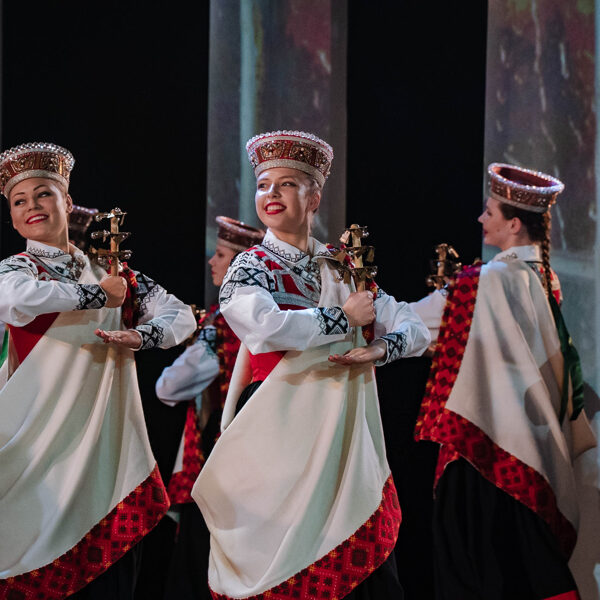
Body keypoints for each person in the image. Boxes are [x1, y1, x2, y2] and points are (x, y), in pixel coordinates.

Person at [191, 130, 431, 600]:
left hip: (340, 430)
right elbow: (264, 327)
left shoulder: (342, 266)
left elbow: (414, 326)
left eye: (286, 184)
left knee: (360, 558)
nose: (272, 194)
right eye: (264, 185)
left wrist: (381, 349)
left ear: (314, 197)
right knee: (283, 552)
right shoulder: (251, 266)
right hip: (276, 424)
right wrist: (343, 319)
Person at [0, 142, 196, 599]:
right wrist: (98, 296)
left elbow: (181, 315)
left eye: (43, 193)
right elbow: (19, 301)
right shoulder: (17, 270)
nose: (32, 206)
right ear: (12, 218)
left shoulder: (112, 271)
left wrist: (142, 336)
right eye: (19, 201)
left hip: (103, 443)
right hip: (38, 440)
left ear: (67, 201)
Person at [413, 163, 596, 600]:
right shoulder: (541, 277)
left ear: (514, 224)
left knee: (472, 565)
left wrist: (363, 313)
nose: (481, 218)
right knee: (528, 566)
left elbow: (420, 323)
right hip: (530, 443)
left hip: (482, 438)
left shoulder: (491, 280)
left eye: (490, 211)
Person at [155, 215, 264, 600]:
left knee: (203, 550)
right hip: (264, 446)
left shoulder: (222, 322)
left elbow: (168, 386)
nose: (211, 261)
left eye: (220, 255)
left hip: (222, 443)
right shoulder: (279, 313)